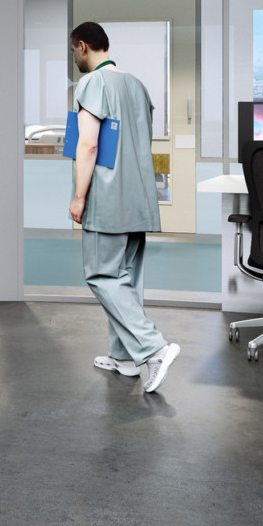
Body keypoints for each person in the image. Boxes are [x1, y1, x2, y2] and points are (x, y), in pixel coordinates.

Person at [68, 21, 180, 393]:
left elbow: (87, 145)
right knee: (126, 279)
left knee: (102, 274)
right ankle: (125, 358)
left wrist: (79, 196)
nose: (75, 59)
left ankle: (153, 349)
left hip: (108, 197)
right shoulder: (138, 86)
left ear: (83, 46)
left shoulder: (91, 83)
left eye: (73, 51)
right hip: (140, 197)